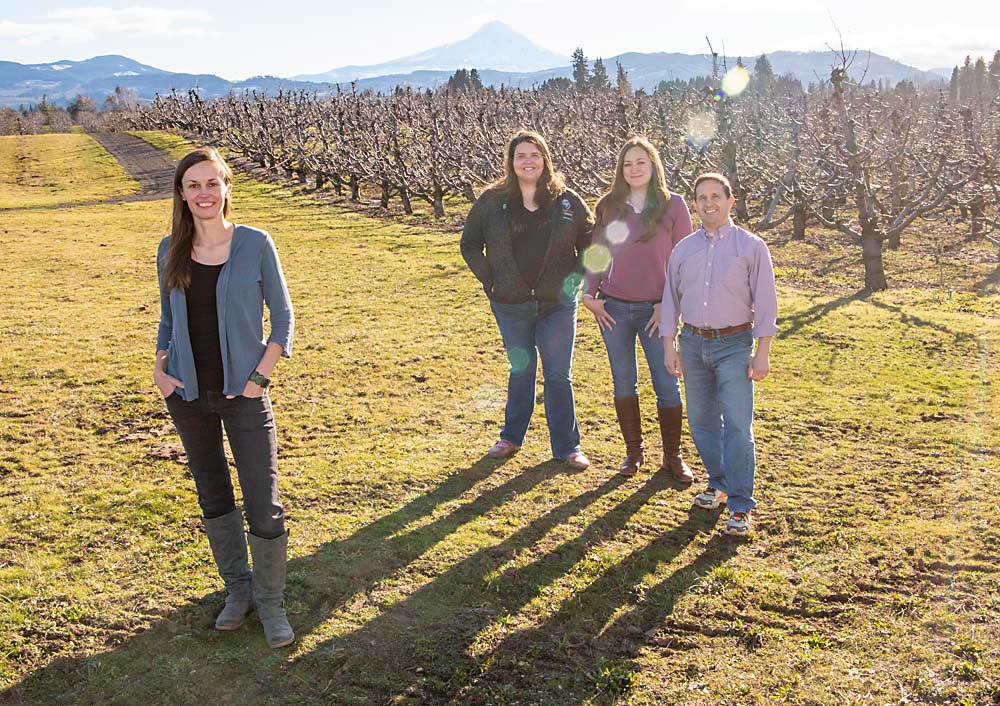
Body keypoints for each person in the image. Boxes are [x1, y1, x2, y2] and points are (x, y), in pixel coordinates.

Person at [154, 147, 296, 647]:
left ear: (228, 187)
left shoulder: (256, 244)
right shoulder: (169, 248)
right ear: (181, 193)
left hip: (244, 395)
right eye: (193, 186)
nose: (203, 194)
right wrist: (160, 368)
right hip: (189, 397)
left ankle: (273, 603)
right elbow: (169, 320)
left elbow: (283, 319)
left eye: (212, 183)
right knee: (214, 496)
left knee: (264, 503)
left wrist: (259, 378)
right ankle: (238, 591)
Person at [461, 130, 594, 469]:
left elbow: (592, 241)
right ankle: (511, 437)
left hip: (557, 305)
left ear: (545, 159)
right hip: (511, 304)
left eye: (534, 154)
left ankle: (568, 447)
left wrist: (574, 281)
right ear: (511, 162)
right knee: (521, 369)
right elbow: (470, 244)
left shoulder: (566, 200)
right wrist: (491, 279)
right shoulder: (492, 201)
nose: (528, 161)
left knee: (558, 374)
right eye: (521, 156)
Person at [661, 172, 777, 537]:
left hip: (734, 344)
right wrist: (670, 345)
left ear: (730, 201)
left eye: (716, 196)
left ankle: (741, 504)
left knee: (738, 426)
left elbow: (766, 302)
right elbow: (670, 300)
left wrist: (763, 352)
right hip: (693, 344)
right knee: (702, 422)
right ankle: (719, 481)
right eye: (701, 197)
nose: (708, 202)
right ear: (694, 204)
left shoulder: (751, 247)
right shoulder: (683, 249)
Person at [581, 136, 694, 481]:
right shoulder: (609, 206)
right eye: (628, 164)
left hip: (656, 311)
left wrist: (669, 307)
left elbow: (685, 259)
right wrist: (589, 294)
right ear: (621, 170)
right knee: (623, 382)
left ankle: (672, 457)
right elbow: (598, 252)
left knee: (667, 381)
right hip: (614, 308)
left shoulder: (673, 205)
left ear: (653, 165)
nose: (634, 169)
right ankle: (633, 454)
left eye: (641, 162)